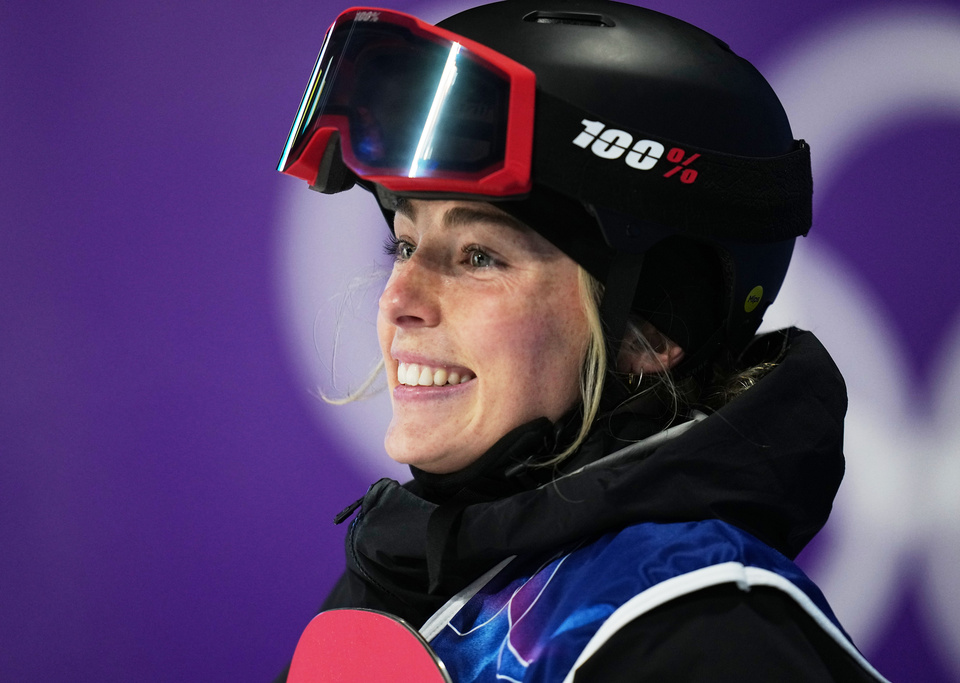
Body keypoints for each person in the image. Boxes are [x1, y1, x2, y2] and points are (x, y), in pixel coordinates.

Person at [276, 1, 891, 680]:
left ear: (647, 330)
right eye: (404, 244)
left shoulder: (704, 632)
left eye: (479, 256)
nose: (398, 302)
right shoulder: (417, 579)